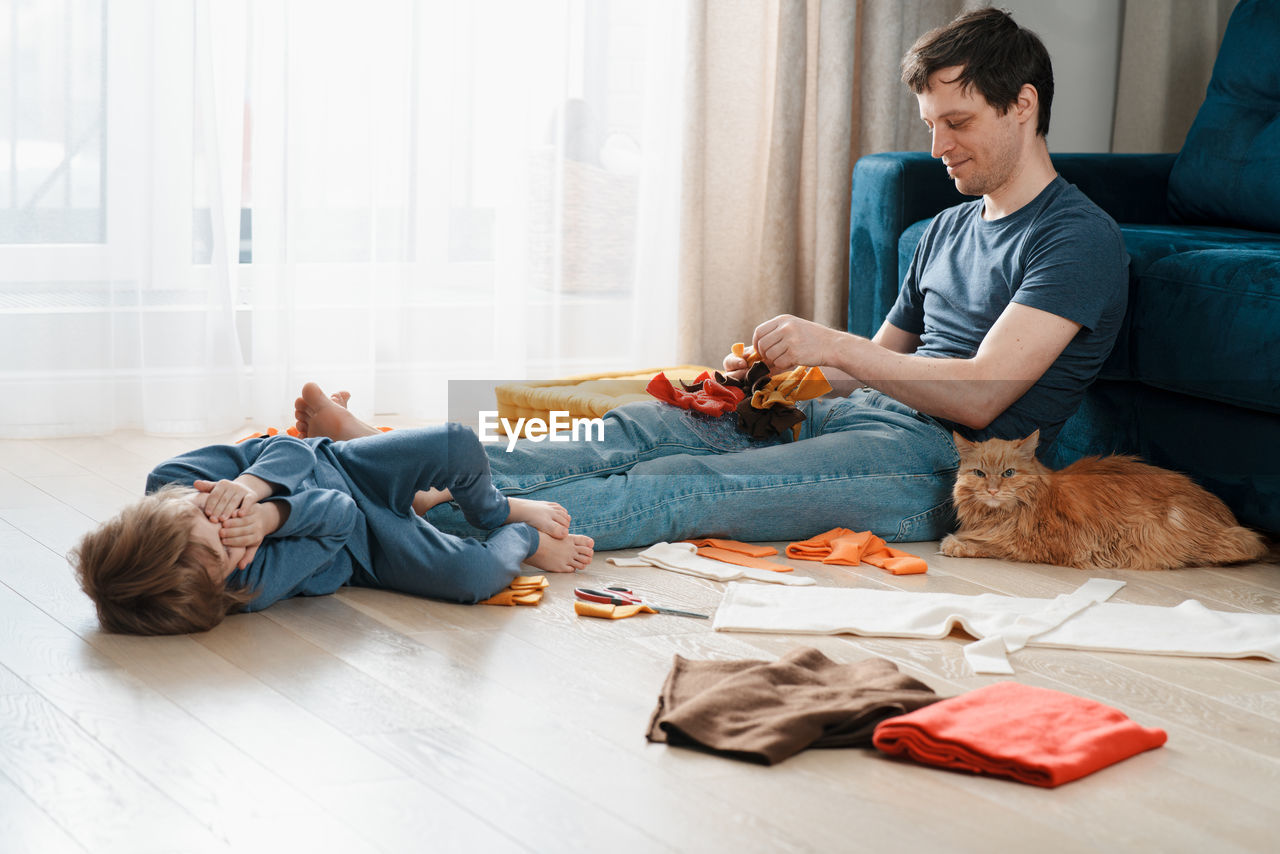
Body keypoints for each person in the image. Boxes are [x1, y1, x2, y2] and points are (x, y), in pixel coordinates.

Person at [303, 7, 1128, 553]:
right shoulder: (946, 228)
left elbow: (986, 394)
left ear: (1022, 105)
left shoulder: (1077, 239)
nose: (940, 144)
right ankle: (403, 461)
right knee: (638, 426)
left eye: (959, 123)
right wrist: (781, 373)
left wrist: (829, 342)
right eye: (930, 125)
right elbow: (869, 367)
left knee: (675, 485)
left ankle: (405, 519)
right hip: (859, 418)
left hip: (942, 472)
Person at [72, 416, 594, 635]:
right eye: (230, 550)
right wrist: (272, 520)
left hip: (342, 465)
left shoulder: (173, 477)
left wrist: (252, 490)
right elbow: (339, 518)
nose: (234, 527)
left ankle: (495, 510)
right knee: (474, 578)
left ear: (169, 505)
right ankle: (522, 534)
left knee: (456, 441)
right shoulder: (249, 587)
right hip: (366, 547)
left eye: (212, 515)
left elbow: (287, 447)